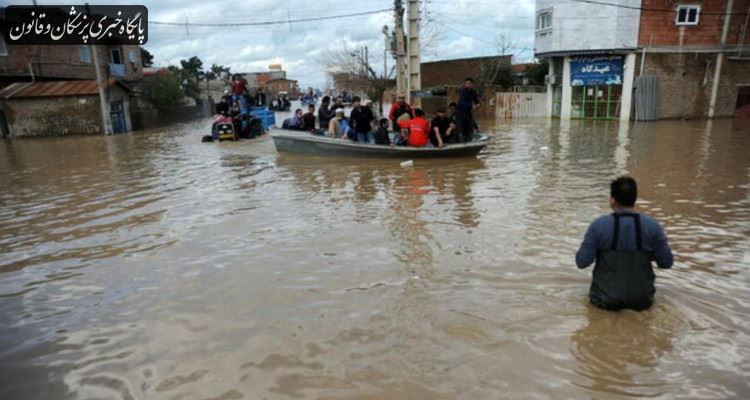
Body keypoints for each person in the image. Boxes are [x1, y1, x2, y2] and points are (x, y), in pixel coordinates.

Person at [576, 176, 674, 311]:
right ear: (635, 200)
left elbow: (581, 262)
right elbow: (666, 263)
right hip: (642, 303)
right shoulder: (653, 226)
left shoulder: (598, 226)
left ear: (612, 200)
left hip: (604, 302)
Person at [456, 78, 480, 142]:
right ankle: (461, 138)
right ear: (465, 84)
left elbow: (476, 100)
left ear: (472, 84)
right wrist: (471, 105)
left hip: (468, 111)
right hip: (461, 111)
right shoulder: (462, 91)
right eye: (467, 83)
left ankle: (469, 138)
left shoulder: (473, 91)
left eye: (469, 84)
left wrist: (477, 104)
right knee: (461, 126)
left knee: (470, 125)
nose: (468, 85)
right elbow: (462, 102)